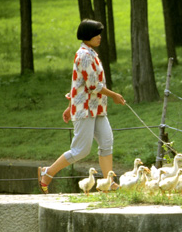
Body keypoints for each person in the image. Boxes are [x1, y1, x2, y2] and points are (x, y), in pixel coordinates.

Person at [38, 19, 125, 194]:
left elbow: (77, 83)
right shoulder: (84, 56)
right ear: (87, 36)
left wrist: (70, 105)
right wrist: (114, 95)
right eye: (96, 34)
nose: (99, 37)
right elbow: (93, 85)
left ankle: (109, 183)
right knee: (81, 150)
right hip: (85, 110)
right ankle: (47, 172)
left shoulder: (91, 53)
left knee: (107, 142)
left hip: (97, 108)